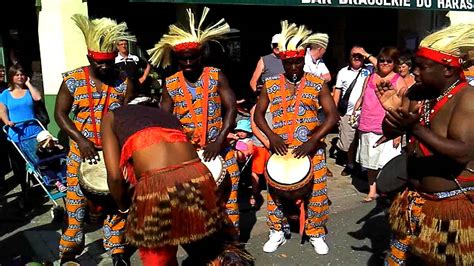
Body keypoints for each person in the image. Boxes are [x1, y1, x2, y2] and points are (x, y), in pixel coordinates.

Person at [376, 23, 474, 266]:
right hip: (414, 201)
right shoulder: (418, 91)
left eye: (422, 67)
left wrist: (416, 129)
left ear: (448, 70)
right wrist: (390, 113)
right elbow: (390, 131)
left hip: (450, 207)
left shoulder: (468, 99)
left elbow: (462, 153)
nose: (414, 72)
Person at [149, 7, 241, 236]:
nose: (188, 63)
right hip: (187, 154)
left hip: (221, 150)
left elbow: (231, 109)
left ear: (201, 55)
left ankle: (232, 248)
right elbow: (165, 120)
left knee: (229, 201)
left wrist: (219, 142)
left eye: (192, 58)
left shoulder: (216, 75)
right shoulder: (169, 84)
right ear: (177, 59)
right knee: (194, 208)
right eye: (183, 59)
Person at [101, 96, 224, 265]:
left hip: (156, 183)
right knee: (205, 245)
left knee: (157, 255)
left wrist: (123, 209)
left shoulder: (112, 116)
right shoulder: (168, 116)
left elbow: (115, 177)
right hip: (197, 174)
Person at [54, 14, 136, 265]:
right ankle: (69, 251)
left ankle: (118, 250)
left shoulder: (124, 81)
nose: (105, 68)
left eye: (109, 63)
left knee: (115, 203)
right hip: (80, 154)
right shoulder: (72, 80)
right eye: (100, 63)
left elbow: (129, 115)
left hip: (114, 154)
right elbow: (60, 114)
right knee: (76, 206)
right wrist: (81, 139)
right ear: (90, 58)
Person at [254, 20, 338, 255]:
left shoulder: (317, 83)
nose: (293, 67)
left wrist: (313, 140)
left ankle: (316, 232)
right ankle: (277, 231)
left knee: (318, 191)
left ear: (304, 59)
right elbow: (259, 115)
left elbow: (332, 116)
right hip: (279, 149)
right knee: (274, 193)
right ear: (282, 60)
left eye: (298, 62)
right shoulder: (270, 84)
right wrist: (271, 137)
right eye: (289, 62)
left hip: (312, 149)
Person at [353, 47, 407, 202]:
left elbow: (403, 107)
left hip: (388, 127)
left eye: (388, 61)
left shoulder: (398, 80)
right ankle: (372, 191)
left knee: (389, 161)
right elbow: (362, 97)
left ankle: (391, 191)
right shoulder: (370, 77)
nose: (384, 63)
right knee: (371, 162)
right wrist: (354, 111)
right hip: (367, 123)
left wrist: (399, 132)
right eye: (382, 60)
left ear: (394, 63)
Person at [0, 63, 43, 206]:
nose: (20, 77)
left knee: (38, 161)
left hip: (33, 131)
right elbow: (2, 111)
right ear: (12, 77)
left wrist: (29, 83)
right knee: (19, 165)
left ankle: (38, 188)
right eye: (17, 75)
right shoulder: (5, 94)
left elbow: (37, 98)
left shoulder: (29, 91)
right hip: (16, 134)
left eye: (22, 74)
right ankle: (25, 190)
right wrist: (7, 121)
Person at [332, 46, 372, 176]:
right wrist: (333, 112)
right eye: (354, 55)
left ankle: (363, 167)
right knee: (349, 142)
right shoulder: (343, 72)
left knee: (364, 141)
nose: (356, 57)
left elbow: (385, 67)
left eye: (359, 55)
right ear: (349, 57)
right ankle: (350, 164)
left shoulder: (370, 69)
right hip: (348, 113)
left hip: (366, 113)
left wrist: (366, 54)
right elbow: (337, 92)